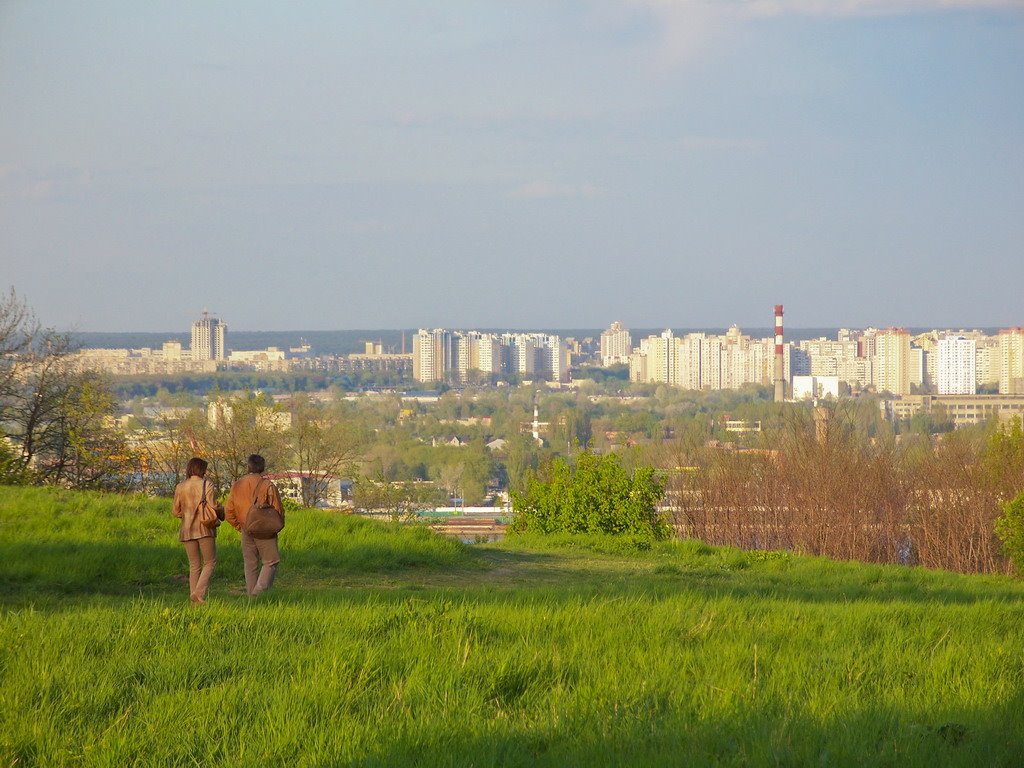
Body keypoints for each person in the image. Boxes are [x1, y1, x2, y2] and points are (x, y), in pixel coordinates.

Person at [224, 454, 284, 596]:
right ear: (262, 467)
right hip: (265, 529)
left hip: (246, 528)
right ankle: (258, 593)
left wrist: (240, 526)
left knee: (250, 564)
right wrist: (277, 526)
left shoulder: (237, 484)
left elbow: (228, 511)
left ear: (248, 466)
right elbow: (278, 510)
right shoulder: (268, 485)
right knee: (271, 561)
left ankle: (252, 597)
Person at [172, 457, 220, 604]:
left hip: (186, 530)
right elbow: (213, 506)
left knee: (194, 565)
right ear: (202, 470)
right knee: (210, 562)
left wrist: (187, 514)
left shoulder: (180, 486)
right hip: (204, 527)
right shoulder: (207, 484)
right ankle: (198, 593)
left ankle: (194, 603)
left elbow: (175, 511)